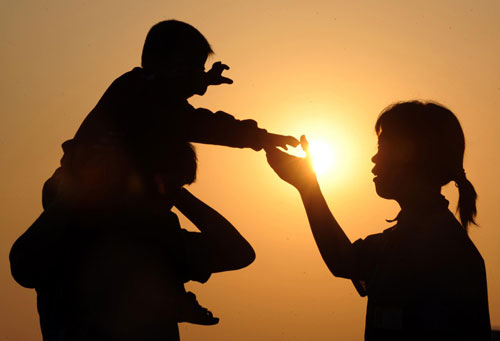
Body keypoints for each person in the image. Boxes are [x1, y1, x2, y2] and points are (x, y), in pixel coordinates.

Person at [265, 101, 491, 339]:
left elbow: (344, 261)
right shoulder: (411, 238)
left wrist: (308, 188)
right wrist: (307, 186)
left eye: (383, 147)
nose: (374, 159)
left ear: (410, 156)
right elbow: (344, 261)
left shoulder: (442, 250)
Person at [10, 141, 256, 340]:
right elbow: (23, 266)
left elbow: (240, 253)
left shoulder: (158, 238)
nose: (167, 200)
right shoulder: (69, 234)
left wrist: (177, 194)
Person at [41, 19, 298, 209]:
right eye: (189, 67)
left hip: (106, 193)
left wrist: (202, 82)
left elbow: (180, 100)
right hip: (78, 189)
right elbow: (201, 124)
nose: (196, 75)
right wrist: (261, 137)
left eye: (199, 69)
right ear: (156, 61)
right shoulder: (136, 88)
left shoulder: (159, 97)